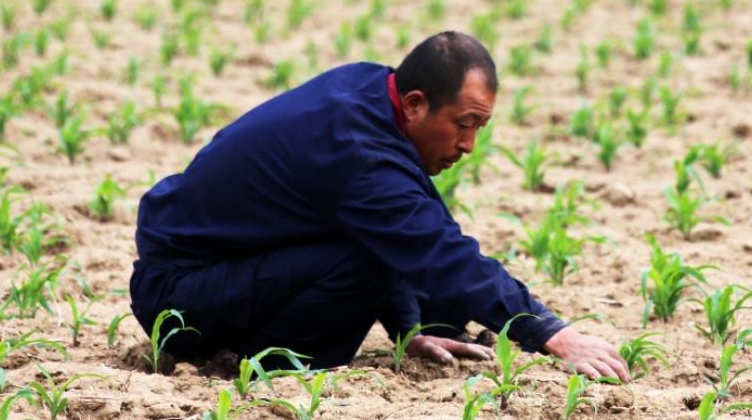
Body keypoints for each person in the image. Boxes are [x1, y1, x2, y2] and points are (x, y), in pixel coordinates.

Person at [129, 31, 629, 382]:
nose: (469, 145)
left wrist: (408, 328)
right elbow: (436, 250)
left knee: (381, 245)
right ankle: (278, 370)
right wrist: (550, 332)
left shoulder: (368, 90)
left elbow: (402, 226)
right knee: (367, 261)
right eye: (463, 123)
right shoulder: (361, 153)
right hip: (181, 298)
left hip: (214, 272)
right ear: (414, 104)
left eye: (481, 127)